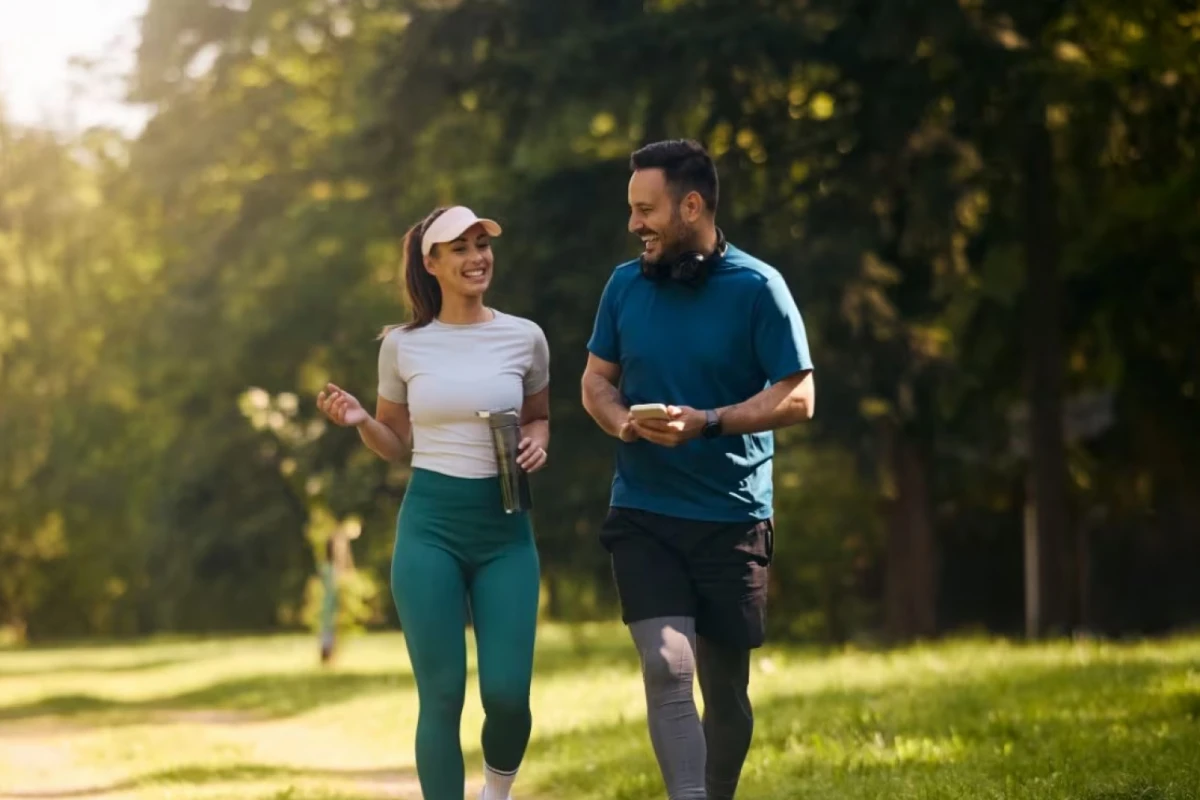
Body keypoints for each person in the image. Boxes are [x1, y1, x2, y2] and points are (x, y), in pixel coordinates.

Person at [581, 140, 814, 800]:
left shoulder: (758, 288)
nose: (634, 225)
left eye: (646, 210)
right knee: (666, 664)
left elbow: (799, 397)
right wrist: (623, 420)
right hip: (644, 512)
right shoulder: (624, 286)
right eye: (631, 210)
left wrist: (709, 422)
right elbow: (595, 382)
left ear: (692, 205)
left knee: (726, 692)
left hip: (731, 516)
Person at [316, 205, 550, 800]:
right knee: (442, 694)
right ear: (432, 263)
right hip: (431, 529)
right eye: (461, 248)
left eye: (482, 244)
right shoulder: (404, 347)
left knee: (506, 694)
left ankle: (497, 791)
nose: (478, 257)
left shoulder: (524, 336)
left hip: (505, 531)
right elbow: (395, 444)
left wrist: (537, 443)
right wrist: (363, 419)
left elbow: (539, 416)